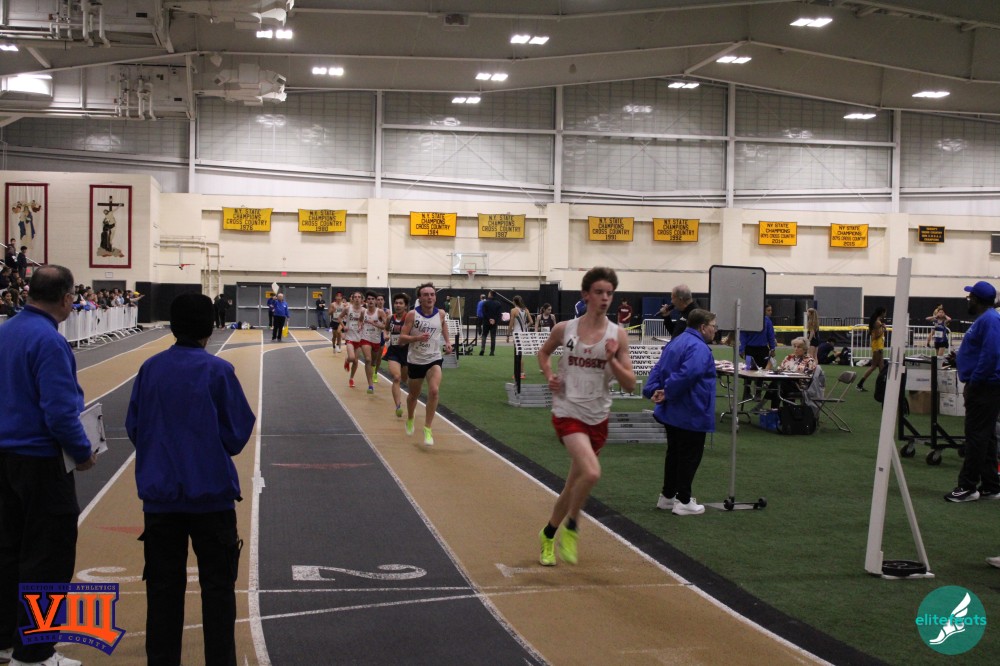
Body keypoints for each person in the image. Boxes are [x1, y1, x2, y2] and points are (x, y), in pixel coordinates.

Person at [126, 293, 256, 666]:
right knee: (218, 591)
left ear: (171, 325)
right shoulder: (218, 371)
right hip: (211, 498)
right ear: (210, 327)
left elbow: (135, 427)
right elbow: (236, 435)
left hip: (160, 499)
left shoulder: (150, 369)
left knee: (163, 592)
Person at [0, 265, 97, 666]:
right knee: (48, 558)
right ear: (66, 298)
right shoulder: (49, 341)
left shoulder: (6, 331)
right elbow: (59, 412)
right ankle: (35, 654)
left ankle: (6, 641)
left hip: (4, 459)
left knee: (8, 551)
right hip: (40, 461)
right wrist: (82, 451)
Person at [537, 267, 635, 566]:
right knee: (591, 473)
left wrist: (612, 360)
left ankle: (548, 534)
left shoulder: (617, 335)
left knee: (573, 485)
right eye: (599, 292)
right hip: (567, 410)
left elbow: (630, 384)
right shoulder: (564, 328)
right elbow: (543, 353)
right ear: (585, 295)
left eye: (609, 293)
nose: (605, 298)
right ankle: (572, 526)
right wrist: (550, 375)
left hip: (597, 416)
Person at [645, 308, 717, 517]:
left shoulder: (675, 342)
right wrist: (667, 391)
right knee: (689, 456)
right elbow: (688, 374)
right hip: (691, 409)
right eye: (713, 326)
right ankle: (683, 500)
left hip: (672, 410)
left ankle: (667, 496)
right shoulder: (699, 348)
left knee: (675, 453)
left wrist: (653, 389)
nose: (715, 330)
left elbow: (658, 368)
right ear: (703, 327)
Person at [944, 281, 1000, 504]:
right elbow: (980, 352)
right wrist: (960, 360)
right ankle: (991, 485)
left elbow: (991, 354)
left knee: (976, 436)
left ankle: (968, 487)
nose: (968, 300)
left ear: (976, 299)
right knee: (986, 436)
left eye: (970, 297)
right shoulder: (987, 319)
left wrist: (976, 380)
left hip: (984, 386)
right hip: (985, 385)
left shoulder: (990, 320)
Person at [399, 283, 452, 446]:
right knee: (413, 395)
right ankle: (410, 418)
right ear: (420, 298)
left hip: (434, 358)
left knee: (434, 391)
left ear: (435, 297)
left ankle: (427, 428)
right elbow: (401, 339)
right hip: (416, 360)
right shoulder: (412, 315)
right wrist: (417, 338)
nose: (429, 297)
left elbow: (443, 326)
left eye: (432, 294)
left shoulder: (441, 313)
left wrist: (448, 342)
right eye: (426, 295)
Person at [385, 293, 411, 417]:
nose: (398, 305)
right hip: (394, 351)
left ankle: (410, 400)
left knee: (405, 379)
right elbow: (386, 328)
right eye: (396, 303)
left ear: (405, 306)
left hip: (407, 352)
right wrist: (385, 334)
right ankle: (398, 406)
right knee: (396, 377)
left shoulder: (409, 318)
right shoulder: (390, 318)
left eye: (401, 303)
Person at [358, 291, 388, 394]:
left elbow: (386, 326)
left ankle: (374, 370)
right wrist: (360, 326)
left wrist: (375, 324)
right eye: (369, 299)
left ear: (375, 301)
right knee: (367, 359)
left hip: (376, 340)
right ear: (366, 301)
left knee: (373, 362)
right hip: (365, 338)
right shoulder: (363, 312)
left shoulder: (380, 312)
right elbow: (360, 320)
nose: (371, 301)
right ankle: (370, 385)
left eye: (372, 299)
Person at [856, 306, 887, 391]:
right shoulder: (877, 322)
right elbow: (875, 336)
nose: (885, 314)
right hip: (877, 346)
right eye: (885, 312)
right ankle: (860, 384)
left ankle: (882, 386)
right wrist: (883, 329)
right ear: (882, 313)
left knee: (881, 367)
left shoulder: (877, 321)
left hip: (878, 346)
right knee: (873, 366)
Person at [342, 291, 365, 387]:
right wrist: (343, 326)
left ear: (362, 299)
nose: (357, 298)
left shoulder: (364, 310)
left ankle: (351, 378)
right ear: (352, 298)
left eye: (359, 297)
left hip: (359, 338)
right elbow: (339, 318)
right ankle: (347, 360)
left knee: (355, 361)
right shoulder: (348, 308)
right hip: (350, 337)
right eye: (355, 297)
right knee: (352, 358)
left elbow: (365, 321)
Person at [480, 290, 502, 356]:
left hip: (486, 321)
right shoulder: (498, 303)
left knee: (484, 335)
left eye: (489, 293)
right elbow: (499, 314)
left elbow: (484, 312)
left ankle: (482, 349)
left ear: (490, 295)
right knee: (493, 337)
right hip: (494, 323)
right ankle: (492, 351)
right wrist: (494, 319)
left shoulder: (485, 303)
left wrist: (489, 319)